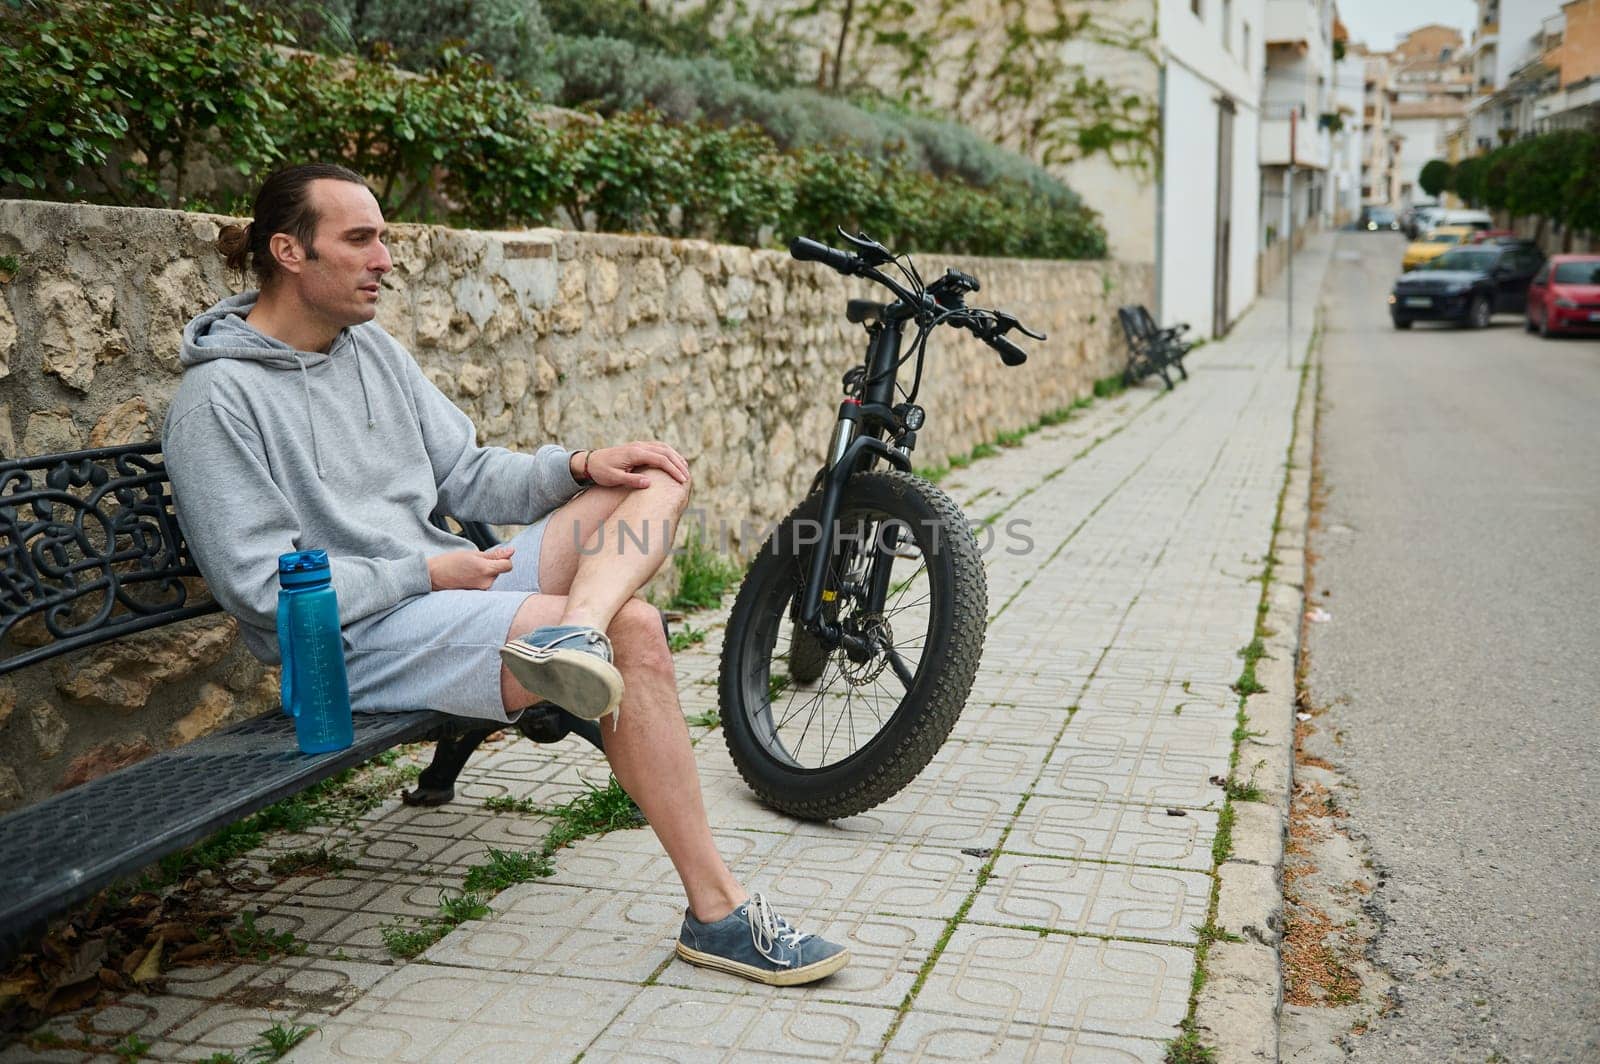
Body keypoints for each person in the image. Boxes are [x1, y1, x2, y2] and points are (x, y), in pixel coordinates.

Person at [161, 162, 848, 986]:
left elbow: (468, 472)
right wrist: (424, 570)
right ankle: (718, 911)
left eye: (384, 236)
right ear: (290, 251)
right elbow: (262, 589)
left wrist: (584, 463)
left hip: (447, 588)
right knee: (639, 631)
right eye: (360, 238)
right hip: (353, 639)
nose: (385, 257)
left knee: (652, 477)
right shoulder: (216, 403)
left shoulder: (370, 350)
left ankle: (574, 629)